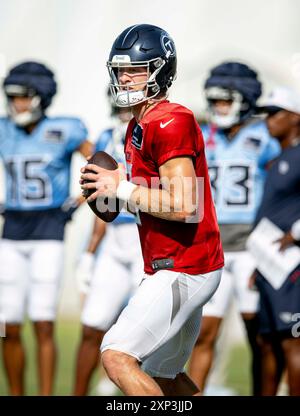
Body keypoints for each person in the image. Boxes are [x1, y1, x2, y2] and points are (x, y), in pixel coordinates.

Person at [80, 23, 224, 396]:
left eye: (137, 69)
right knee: (164, 375)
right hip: (173, 263)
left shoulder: (171, 119)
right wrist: (111, 195)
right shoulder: (137, 126)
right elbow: (151, 200)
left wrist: (121, 187)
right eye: (120, 69)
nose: (125, 77)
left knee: (116, 355)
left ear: (162, 70)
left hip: (184, 266)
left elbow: (183, 205)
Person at [188, 62, 281, 395]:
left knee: (259, 334)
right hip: (213, 249)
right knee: (202, 333)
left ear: (244, 99)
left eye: (226, 101)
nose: (219, 108)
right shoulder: (201, 134)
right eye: (215, 102)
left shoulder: (265, 135)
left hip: (251, 248)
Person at [0, 61, 92, 396]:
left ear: (41, 97)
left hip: (49, 229)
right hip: (11, 230)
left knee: (43, 323)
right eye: (14, 97)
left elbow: (101, 164)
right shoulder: (4, 128)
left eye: (24, 97)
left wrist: (77, 201)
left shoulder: (65, 129)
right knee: (7, 325)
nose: (18, 104)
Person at [73, 93, 143, 396]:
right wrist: (90, 251)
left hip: (147, 235)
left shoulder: (156, 133)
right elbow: (102, 204)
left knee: (147, 333)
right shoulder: (107, 136)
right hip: (115, 238)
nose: (124, 109)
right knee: (92, 325)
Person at [250, 86, 300, 396]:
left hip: (292, 267)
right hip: (270, 266)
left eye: (274, 113)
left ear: (295, 117)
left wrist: (296, 234)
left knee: (293, 343)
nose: (267, 120)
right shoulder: (278, 158)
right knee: (267, 342)